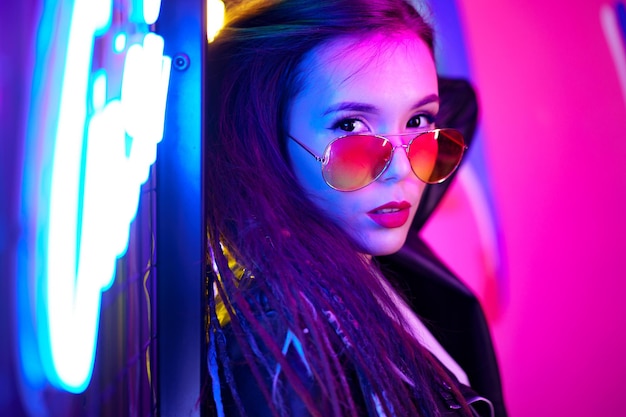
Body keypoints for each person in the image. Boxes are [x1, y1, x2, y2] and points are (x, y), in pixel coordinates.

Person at [204, 0, 504, 416]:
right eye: (350, 126)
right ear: (264, 139)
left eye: (418, 119)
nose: (402, 171)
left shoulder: (366, 236)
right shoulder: (284, 342)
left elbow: (458, 102)